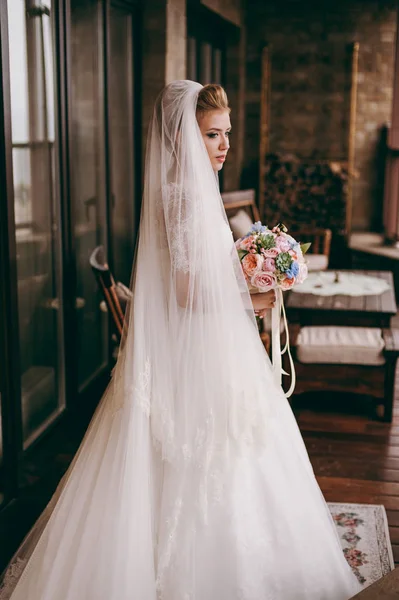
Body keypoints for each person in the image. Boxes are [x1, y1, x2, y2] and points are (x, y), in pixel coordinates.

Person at [0, 80, 362, 600]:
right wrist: (250, 300)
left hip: (203, 345)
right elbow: (190, 292)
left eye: (227, 134)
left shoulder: (185, 189)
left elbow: (198, 275)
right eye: (212, 134)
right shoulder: (186, 195)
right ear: (183, 138)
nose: (224, 145)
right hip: (200, 349)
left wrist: (252, 273)